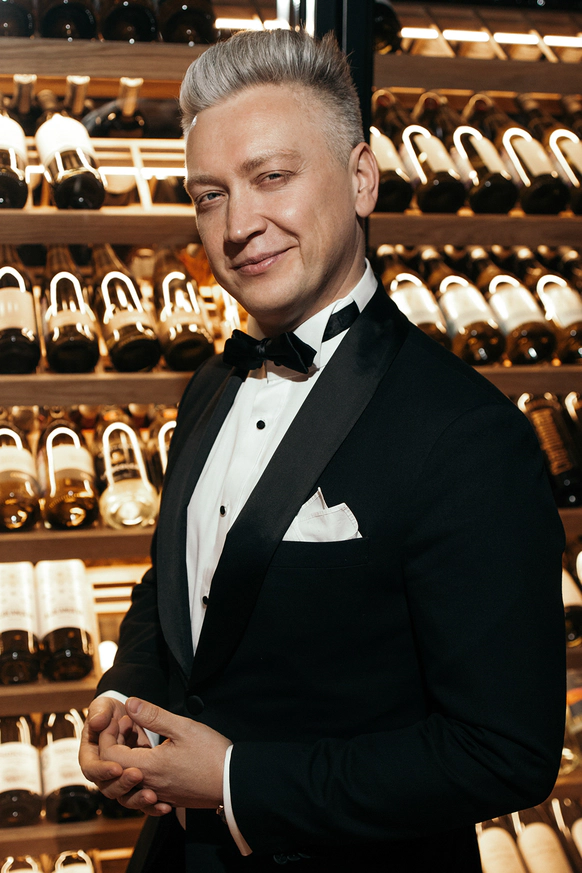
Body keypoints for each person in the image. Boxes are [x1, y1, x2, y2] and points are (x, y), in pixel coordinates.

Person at [79, 28, 566, 873]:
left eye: (271, 176)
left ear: (362, 177)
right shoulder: (210, 385)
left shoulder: (468, 434)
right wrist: (127, 692)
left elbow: (503, 751)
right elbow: (175, 581)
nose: (239, 226)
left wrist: (236, 779)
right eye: (209, 195)